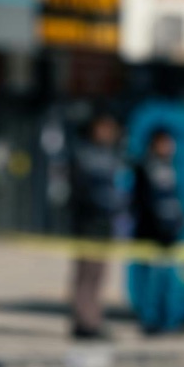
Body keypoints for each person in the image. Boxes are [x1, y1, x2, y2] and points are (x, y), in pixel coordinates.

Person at [66, 112, 124, 341]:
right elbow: (79, 193)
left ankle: (93, 318)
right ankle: (84, 321)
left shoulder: (113, 156)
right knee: (86, 274)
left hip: (105, 224)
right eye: (103, 128)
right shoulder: (84, 155)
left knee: (99, 275)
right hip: (88, 224)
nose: (107, 133)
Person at [127, 126, 184, 336]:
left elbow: (175, 200)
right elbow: (141, 203)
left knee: (169, 281)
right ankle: (150, 321)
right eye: (162, 143)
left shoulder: (172, 167)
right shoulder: (144, 168)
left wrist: (179, 222)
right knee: (151, 281)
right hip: (151, 234)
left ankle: (171, 320)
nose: (167, 147)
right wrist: (155, 227)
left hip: (170, 234)